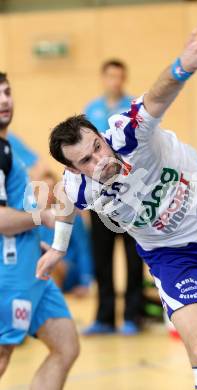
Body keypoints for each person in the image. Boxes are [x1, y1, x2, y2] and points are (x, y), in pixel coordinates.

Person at [37, 28, 197, 390]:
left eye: (97, 147)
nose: (99, 160)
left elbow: (157, 98)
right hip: (170, 256)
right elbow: (66, 209)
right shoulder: (75, 185)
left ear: (101, 135)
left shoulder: (129, 135)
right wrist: (57, 248)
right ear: (73, 169)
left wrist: (184, 66)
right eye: (86, 160)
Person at [0, 72, 79, 388]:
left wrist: (35, 244)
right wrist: (42, 218)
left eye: (7, 92)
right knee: (3, 351)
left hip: (31, 266)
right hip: (9, 272)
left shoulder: (6, 148)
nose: (4, 100)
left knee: (66, 346)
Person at [84, 59, 144, 335]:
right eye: (110, 76)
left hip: (131, 194)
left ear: (124, 78)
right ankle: (105, 317)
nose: (114, 81)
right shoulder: (91, 109)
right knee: (102, 258)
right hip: (100, 197)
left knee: (134, 258)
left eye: (119, 76)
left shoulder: (133, 108)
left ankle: (133, 315)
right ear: (103, 78)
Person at [38, 171, 93, 297]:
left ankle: (50, 297)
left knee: (50, 263)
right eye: (44, 189)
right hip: (40, 265)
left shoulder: (70, 216)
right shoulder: (30, 218)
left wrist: (85, 283)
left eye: (52, 188)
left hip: (65, 268)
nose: (48, 193)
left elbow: (83, 250)